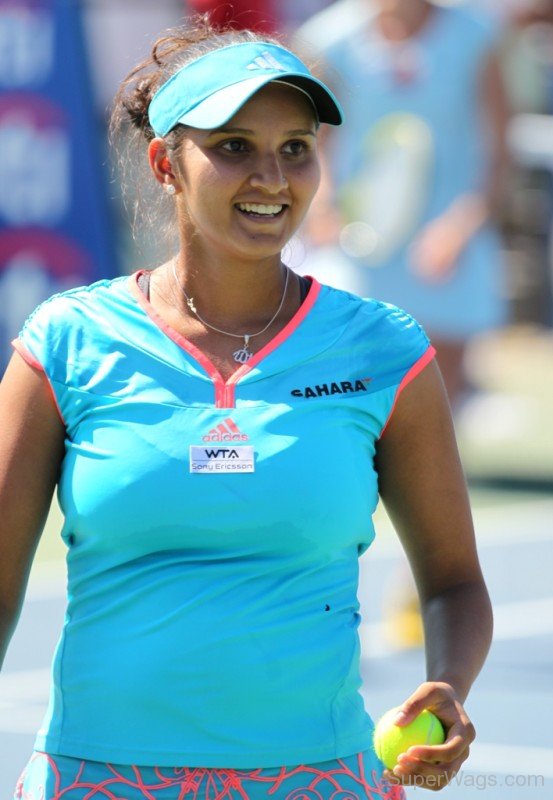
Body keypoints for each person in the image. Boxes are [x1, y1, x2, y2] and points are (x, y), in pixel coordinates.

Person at [1, 16, 492, 800]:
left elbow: (452, 582)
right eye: (233, 147)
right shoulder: (66, 342)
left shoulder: (383, 349)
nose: (272, 176)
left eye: (295, 148)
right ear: (167, 164)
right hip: (93, 780)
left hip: (321, 781)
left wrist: (449, 685)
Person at [298, 0, 511, 407]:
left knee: (442, 395)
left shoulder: (477, 36)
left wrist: (462, 225)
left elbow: (500, 148)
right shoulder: (327, 37)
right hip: (357, 237)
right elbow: (314, 137)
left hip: (449, 238)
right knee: (353, 385)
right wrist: (324, 208)